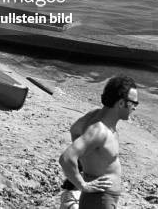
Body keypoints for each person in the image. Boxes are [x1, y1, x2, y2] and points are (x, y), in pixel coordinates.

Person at [59, 75, 138, 209]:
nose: (135, 108)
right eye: (133, 103)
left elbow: (75, 130)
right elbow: (66, 158)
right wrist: (82, 185)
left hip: (100, 198)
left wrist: (86, 159)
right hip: (100, 199)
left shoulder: (94, 115)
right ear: (120, 103)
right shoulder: (100, 130)